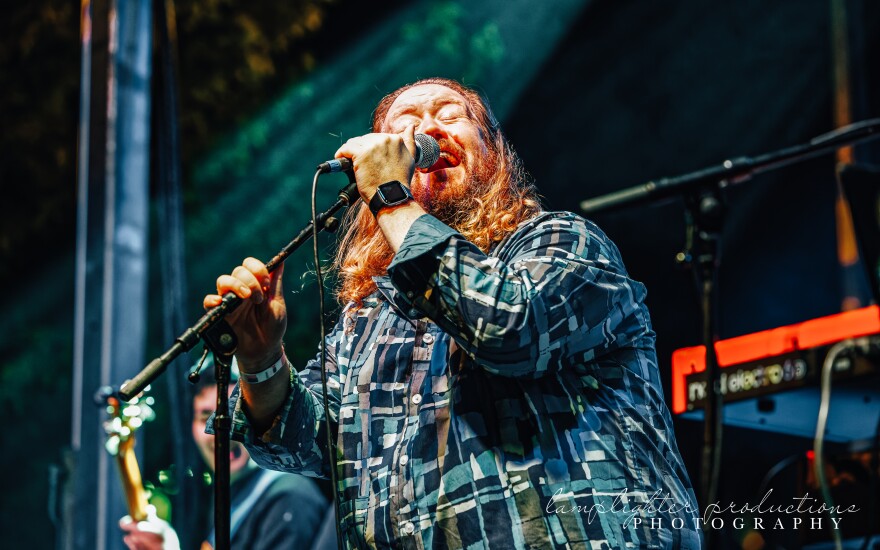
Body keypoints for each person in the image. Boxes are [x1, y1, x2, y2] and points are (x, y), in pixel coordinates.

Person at [205, 77, 702, 548]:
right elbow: (303, 441)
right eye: (405, 122)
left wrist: (391, 197)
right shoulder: (368, 321)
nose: (427, 129)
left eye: (450, 114)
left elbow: (508, 326)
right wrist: (262, 356)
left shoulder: (564, 244)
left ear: (492, 155)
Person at [120, 357, 329, 549]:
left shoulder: (290, 498)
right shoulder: (226, 496)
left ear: (262, 418)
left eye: (232, 417)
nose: (220, 434)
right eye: (205, 418)